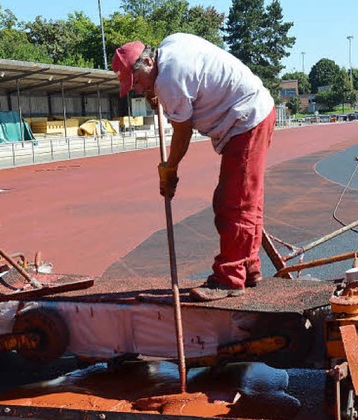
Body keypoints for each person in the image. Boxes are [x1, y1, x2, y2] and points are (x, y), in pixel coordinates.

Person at [112, 33, 276, 302]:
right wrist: (160, 93)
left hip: (246, 119)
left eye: (137, 82)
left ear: (150, 61)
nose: (139, 90)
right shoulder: (171, 44)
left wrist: (170, 168)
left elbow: (182, 133)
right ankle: (248, 267)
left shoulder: (168, 81)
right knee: (246, 200)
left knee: (235, 203)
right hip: (252, 112)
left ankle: (229, 278)